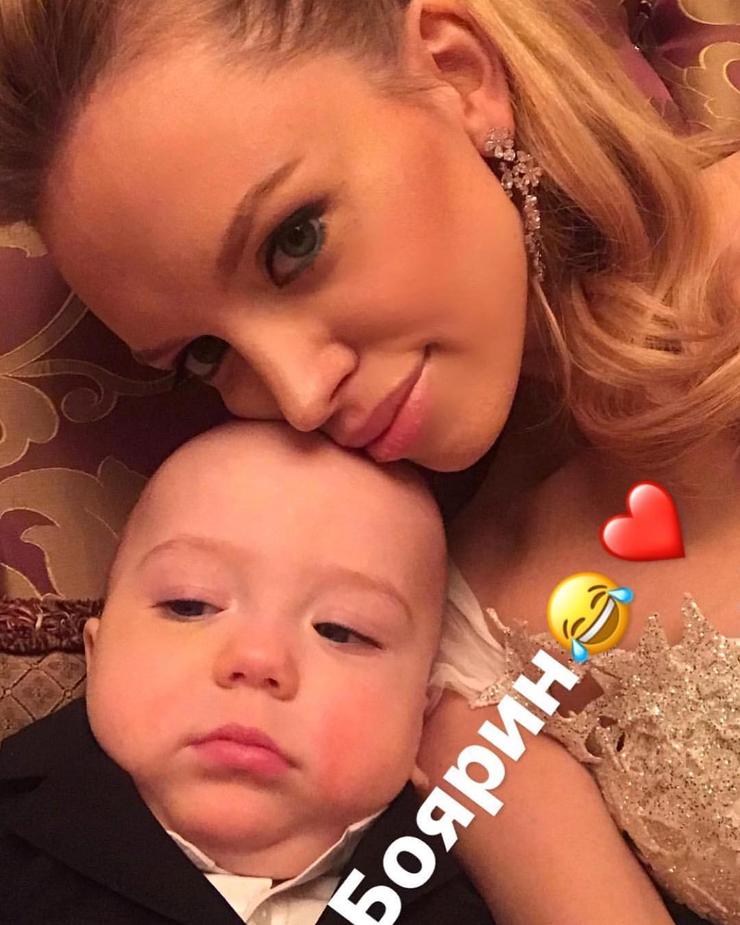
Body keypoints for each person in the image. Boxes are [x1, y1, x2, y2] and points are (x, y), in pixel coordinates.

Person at [0, 1, 737, 923]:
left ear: (458, 72)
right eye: (205, 354)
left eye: (294, 241)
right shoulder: (444, 660)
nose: (300, 396)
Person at [0, 420, 495, 924]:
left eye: (341, 630)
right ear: (96, 652)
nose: (258, 660)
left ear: (421, 713)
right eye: (190, 604)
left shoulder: (491, 883)